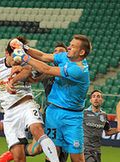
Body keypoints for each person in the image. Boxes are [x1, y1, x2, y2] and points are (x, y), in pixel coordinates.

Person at [10, 34, 91, 162]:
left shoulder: (78, 70)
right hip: (53, 112)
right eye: (70, 45)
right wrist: (23, 47)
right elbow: (43, 56)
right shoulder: (65, 57)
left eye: (73, 46)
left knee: (78, 158)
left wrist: (24, 57)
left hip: (73, 118)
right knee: (52, 152)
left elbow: (46, 69)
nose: (68, 48)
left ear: (81, 52)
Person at [0, 37, 59, 162]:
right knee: (18, 157)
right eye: (14, 57)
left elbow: (27, 72)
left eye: (19, 56)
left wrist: (13, 79)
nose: (17, 60)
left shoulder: (23, 62)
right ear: (7, 53)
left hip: (26, 104)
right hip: (10, 113)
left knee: (37, 130)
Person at [0, 42, 69, 162]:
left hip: (69, 115)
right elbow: (31, 77)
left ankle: (16, 153)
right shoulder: (45, 70)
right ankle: (16, 152)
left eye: (61, 52)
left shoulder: (70, 70)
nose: (57, 53)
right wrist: (20, 70)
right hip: (52, 113)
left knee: (38, 149)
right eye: (55, 51)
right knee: (55, 150)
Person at [83, 90, 120, 162]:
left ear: (102, 100)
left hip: (97, 150)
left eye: (98, 96)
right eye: (94, 97)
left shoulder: (104, 115)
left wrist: (119, 129)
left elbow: (108, 132)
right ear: (91, 100)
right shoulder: (84, 113)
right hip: (85, 149)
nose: (96, 98)